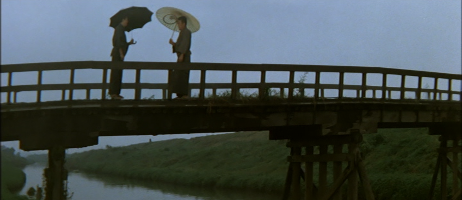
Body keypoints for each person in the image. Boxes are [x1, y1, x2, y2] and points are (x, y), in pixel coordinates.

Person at [110, 17, 136, 99]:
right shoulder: (119, 29)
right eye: (126, 20)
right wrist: (121, 53)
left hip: (118, 53)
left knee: (118, 73)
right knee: (116, 73)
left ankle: (116, 93)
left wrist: (129, 43)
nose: (127, 22)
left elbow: (122, 43)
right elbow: (118, 43)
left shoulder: (121, 29)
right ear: (122, 20)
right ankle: (114, 93)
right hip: (117, 54)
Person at [169, 16, 192, 99]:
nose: (178, 25)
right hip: (180, 56)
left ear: (184, 23)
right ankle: (180, 95)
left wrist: (182, 54)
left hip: (184, 57)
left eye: (179, 23)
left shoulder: (187, 32)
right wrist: (173, 44)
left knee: (183, 75)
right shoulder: (182, 32)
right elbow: (180, 45)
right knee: (178, 75)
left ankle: (184, 95)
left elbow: (185, 44)